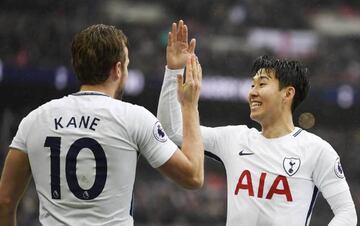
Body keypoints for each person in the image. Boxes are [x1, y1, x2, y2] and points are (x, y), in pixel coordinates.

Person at [0, 24, 204, 226]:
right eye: (126, 66)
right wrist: (189, 105)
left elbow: (5, 201)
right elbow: (193, 176)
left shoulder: (35, 120)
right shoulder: (133, 118)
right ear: (117, 69)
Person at [157, 20, 357, 225]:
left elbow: (347, 214)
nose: (252, 92)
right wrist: (173, 70)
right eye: (252, 85)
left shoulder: (317, 150)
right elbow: (171, 131)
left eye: (262, 84)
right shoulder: (234, 139)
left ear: (287, 93)